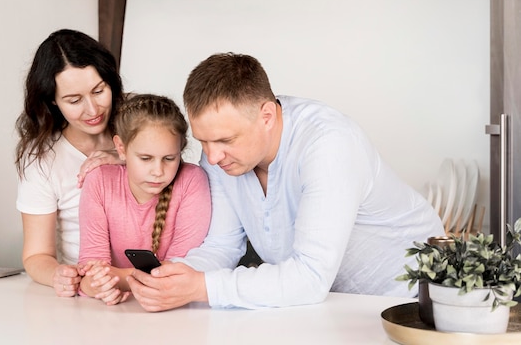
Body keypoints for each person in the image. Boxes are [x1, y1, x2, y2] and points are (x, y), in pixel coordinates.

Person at [126, 52, 445, 311]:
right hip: (326, 305)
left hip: (409, 302)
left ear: (267, 116)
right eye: (204, 142)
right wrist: (176, 276)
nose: (212, 157)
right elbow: (221, 245)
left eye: (225, 140)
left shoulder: (329, 144)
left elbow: (309, 276)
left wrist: (201, 287)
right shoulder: (222, 157)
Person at [14, 29, 124, 297]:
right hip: (91, 290)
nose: (92, 109)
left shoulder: (138, 125)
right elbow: (37, 255)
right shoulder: (43, 160)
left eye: (99, 91)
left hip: (148, 280)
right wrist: (57, 275)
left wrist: (124, 158)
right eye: (74, 100)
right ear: (53, 100)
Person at [77, 94, 211, 305]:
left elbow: (179, 275)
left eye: (169, 158)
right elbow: (91, 268)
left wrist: (116, 278)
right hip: (112, 314)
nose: (158, 171)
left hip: (176, 315)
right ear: (120, 148)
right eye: (145, 158)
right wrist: (95, 285)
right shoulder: (99, 181)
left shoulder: (192, 181)